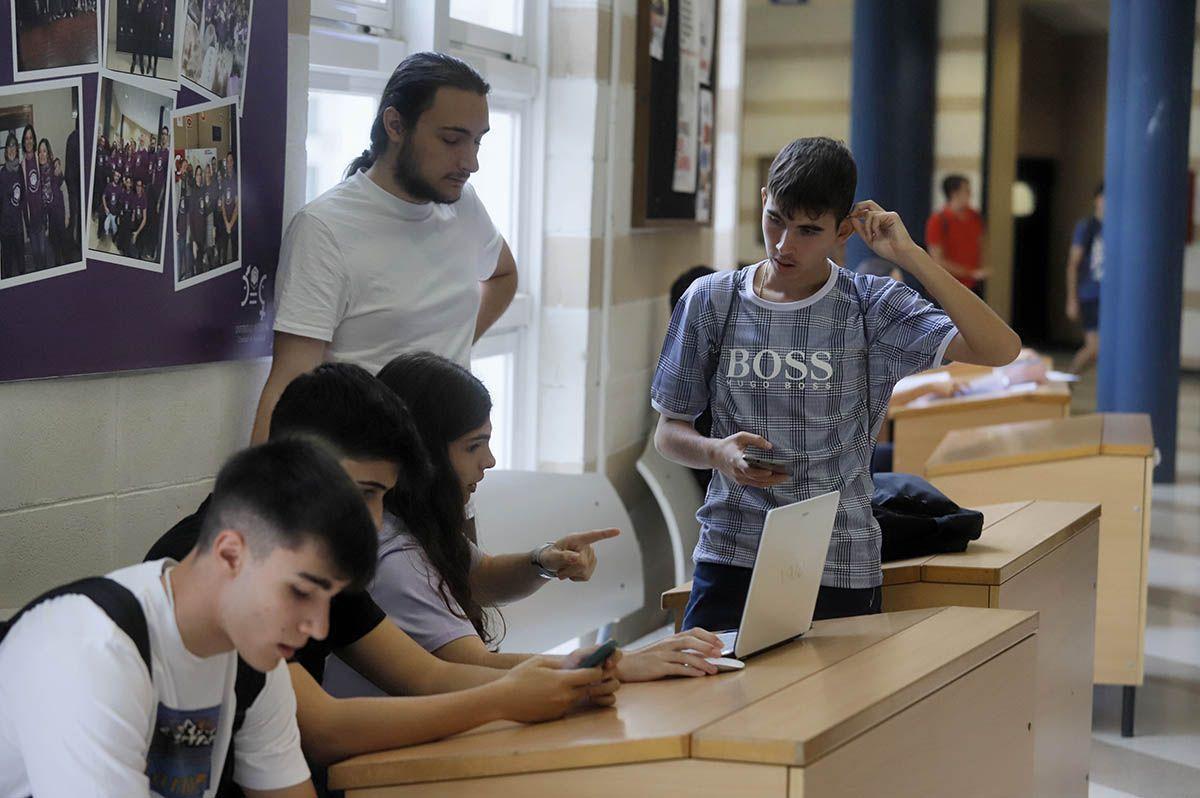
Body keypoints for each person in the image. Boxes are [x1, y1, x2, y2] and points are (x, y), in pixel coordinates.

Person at [145, 362, 621, 789]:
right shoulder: (215, 564)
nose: (373, 522)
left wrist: (575, 674)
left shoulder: (315, 548)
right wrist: (502, 700)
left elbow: (426, 676)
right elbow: (322, 728)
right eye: (365, 492)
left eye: (382, 496)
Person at [651, 137, 1021, 633]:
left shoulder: (871, 304)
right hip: (731, 550)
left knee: (832, 708)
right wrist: (718, 453)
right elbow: (668, 432)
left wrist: (911, 255)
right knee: (708, 702)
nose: (785, 245)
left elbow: (999, 348)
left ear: (843, 229)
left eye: (808, 230)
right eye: (776, 219)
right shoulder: (711, 300)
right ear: (763, 199)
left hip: (838, 558)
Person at [323, 352, 725, 699]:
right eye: (474, 446)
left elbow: (477, 575)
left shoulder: (411, 524)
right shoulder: (395, 557)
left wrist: (544, 561)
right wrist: (620, 663)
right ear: (422, 452)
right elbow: (474, 667)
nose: (490, 460)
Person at [0, 437, 378, 796]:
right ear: (231, 553)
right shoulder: (93, 653)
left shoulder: (255, 661)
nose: (318, 627)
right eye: (300, 592)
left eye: (329, 599)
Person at [252, 51, 519, 444]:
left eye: (477, 141)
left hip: (450, 479)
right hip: (370, 473)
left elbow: (503, 275)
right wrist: (259, 494)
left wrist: (441, 365)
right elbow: (290, 385)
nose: (470, 161)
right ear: (395, 125)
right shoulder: (325, 228)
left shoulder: (464, 206)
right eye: (452, 139)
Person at [925, 174, 987, 296]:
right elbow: (937, 260)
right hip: (947, 287)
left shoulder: (975, 217)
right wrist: (969, 272)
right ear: (954, 193)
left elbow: (981, 245)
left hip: (973, 286)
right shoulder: (938, 220)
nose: (970, 195)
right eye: (967, 191)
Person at [1065, 183, 1104, 374]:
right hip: (1090, 294)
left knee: (1101, 350)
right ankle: (1068, 378)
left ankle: (1070, 379)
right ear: (1096, 199)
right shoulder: (1087, 227)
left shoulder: (1117, 227)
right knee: (1094, 347)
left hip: (1110, 296)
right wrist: (1072, 299)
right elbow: (1073, 264)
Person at [20, 125, 48, 274]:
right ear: (23, 142)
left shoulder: (40, 159)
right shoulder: (21, 166)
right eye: (26, 138)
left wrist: (57, 166)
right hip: (31, 221)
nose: (29, 141)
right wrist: (26, 222)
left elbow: (50, 166)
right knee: (36, 255)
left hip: (42, 216)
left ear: (34, 140)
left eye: (31, 138)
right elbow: (23, 198)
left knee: (44, 253)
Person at [0, 133, 24, 279]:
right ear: (6, 150)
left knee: (22, 265)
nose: (12, 148)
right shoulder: (1, 174)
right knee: (7, 268)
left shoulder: (20, 171)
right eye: (9, 145)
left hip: (18, 227)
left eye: (14, 145)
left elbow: (24, 196)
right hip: (5, 229)